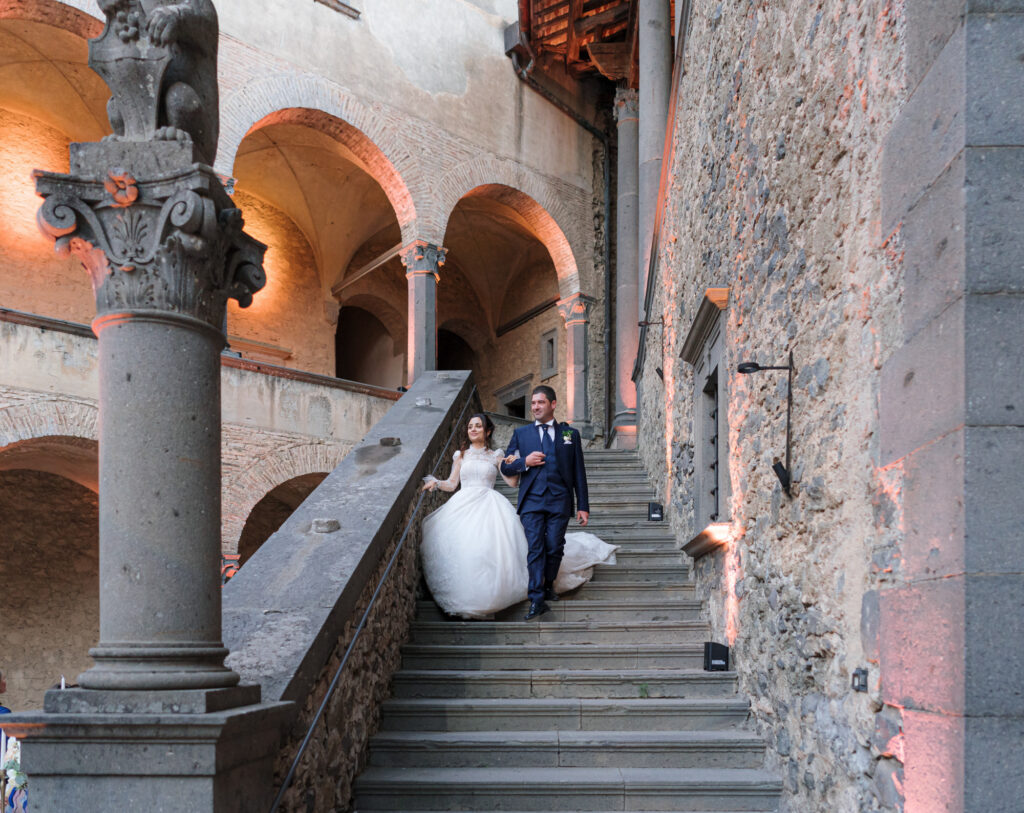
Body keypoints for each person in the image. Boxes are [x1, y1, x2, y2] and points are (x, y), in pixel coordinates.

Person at [421, 412, 615, 619]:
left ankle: (494, 592)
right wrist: (436, 483)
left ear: (487, 431)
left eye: (478, 426)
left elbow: (512, 482)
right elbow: (452, 484)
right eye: (470, 426)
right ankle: (466, 591)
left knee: (489, 549)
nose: (473, 430)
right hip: (464, 503)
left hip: (489, 502)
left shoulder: (496, 455)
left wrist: (516, 463)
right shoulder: (461, 456)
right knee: (467, 549)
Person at [500, 386, 593, 620]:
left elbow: (578, 471)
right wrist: (524, 461)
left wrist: (583, 505)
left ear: (553, 404)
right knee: (535, 548)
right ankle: (537, 597)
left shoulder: (569, 435)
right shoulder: (522, 434)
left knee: (554, 546)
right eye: (533, 403)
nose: (535, 407)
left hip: (559, 499)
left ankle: (549, 583)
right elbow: (505, 466)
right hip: (531, 499)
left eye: (540, 402)